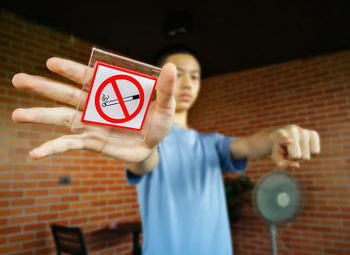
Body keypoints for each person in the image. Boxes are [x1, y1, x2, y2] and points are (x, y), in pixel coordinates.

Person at [11, 46, 320, 255]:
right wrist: (145, 149)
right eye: (180, 72)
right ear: (158, 79)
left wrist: (279, 136)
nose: (188, 82)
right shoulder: (144, 141)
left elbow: (253, 144)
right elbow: (145, 160)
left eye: (196, 75)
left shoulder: (211, 143)